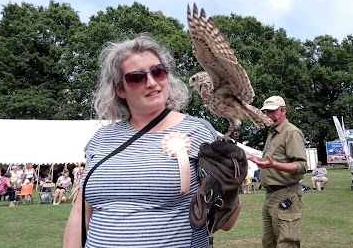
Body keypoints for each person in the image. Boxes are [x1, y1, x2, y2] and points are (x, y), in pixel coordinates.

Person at [63, 35, 239, 247]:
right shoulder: (101, 139)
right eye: (136, 77)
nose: (152, 82)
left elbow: (226, 223)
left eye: (158, 71)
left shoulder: (198, 131)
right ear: (119, 89)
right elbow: (80, 215)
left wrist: (229, 189)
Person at [246, 95, 308, 248]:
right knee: (268, 243)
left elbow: (302, 166)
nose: (269, 115)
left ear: (284, 110)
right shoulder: (272, 133)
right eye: (266, 112)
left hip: (286, 195)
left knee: (287, 243)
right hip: (270, 196)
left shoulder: (291, 132)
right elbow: (270, 162)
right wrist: (255, 160)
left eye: (273, 111)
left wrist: (274, 165)